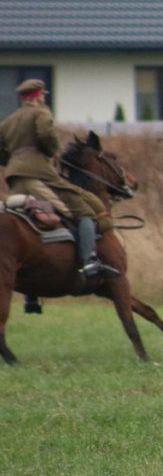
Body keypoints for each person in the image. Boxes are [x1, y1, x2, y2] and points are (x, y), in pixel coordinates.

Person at [0, 79, 121, 312]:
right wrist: (51, 152)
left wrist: (14, 162)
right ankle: (90, 263)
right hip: (39, 175)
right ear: (37, 96)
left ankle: (31, 294)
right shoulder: (41, 112)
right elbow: (46, 135)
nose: (43, 98)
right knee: (84, 209)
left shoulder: (8, 122)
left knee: (35, 223)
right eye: (41, 95)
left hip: (14, 178)